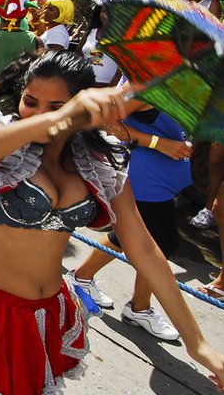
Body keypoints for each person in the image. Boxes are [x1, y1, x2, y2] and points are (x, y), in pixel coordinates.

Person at [0, 50, 224, 394]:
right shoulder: (5, 137)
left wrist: (198, 344)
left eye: (57, 105)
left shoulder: (99, 160)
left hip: (45, 314)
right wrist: (63, 116)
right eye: (30, 101)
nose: (39, 112)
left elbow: (145, 250)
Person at [68, 91, 193, 341]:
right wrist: (158, 143)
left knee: (127, 235)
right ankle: (139, 307)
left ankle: (82, 277)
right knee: (160, 242)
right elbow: (102, 122)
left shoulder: (181, 79)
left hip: (159, 179)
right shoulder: (147, 83)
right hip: (145, 178)